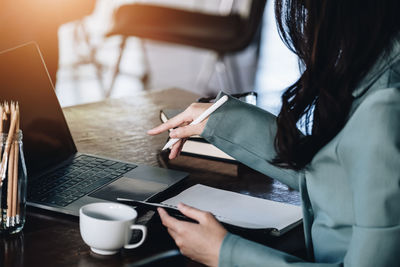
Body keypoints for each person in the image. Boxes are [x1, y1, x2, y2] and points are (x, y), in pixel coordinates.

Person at [148, 0, 400, 266]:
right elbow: (336, 178)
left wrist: (226, 254)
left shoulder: (385, 107)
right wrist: (220, 120)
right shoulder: (374, 64)